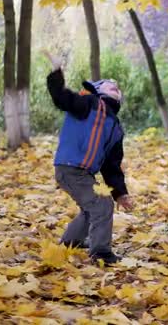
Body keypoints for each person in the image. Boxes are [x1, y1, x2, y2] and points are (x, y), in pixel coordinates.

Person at [44, 51, 133, 266]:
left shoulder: (115, 128)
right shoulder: (88, 104)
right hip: (69, 169)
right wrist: (56, 72)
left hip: (83, 173)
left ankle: (69, 242)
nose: (114, 85)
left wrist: (121, 193)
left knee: (93, 207)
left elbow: (112, 166)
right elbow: (61, 97)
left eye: (117, 87)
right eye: (108, 84)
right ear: (97, 90)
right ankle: (101, 252)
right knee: (101, 205)